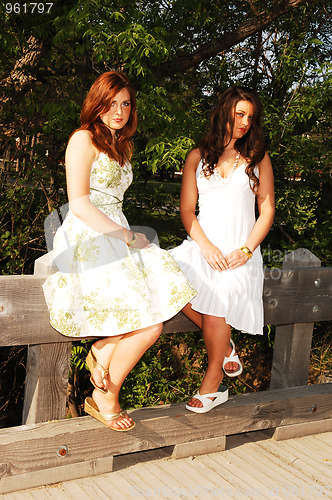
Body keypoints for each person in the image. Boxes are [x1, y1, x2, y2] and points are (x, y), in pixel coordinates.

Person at [43, 71, 196, 431]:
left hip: (117, 229)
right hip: (89, 234)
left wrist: (128, 236)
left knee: (158, 308)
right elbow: (79, 204)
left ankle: (104, 350)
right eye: (112, 103)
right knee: (149, 322)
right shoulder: (83, 139)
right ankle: (106, 396)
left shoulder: (120, 144)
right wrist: (126, 236)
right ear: (97, 103)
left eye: (125, 104)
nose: (119, 110)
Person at [170, 86, 275, 413]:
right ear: (225, 112)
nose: (245, 122)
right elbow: (187, 210)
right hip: (202, 245)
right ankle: (224, 344)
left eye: (250, 117)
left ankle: (212, 385)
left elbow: (267, 209)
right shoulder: (197, 157)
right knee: (164, 280)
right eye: (240, 114)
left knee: (216, 302)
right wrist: (205, 247)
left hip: (238, 254)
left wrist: (246, 250)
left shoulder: (257, 158)